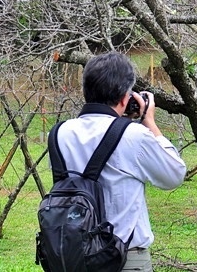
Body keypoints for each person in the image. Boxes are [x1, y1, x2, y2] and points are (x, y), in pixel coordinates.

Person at [55, 52, 187, 272]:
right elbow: (173, 175)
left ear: (85, 90)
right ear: (125, 97)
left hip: (73, 256)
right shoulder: (133, 135)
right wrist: (150, 122)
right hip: (124, 258)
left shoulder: (59, 133)